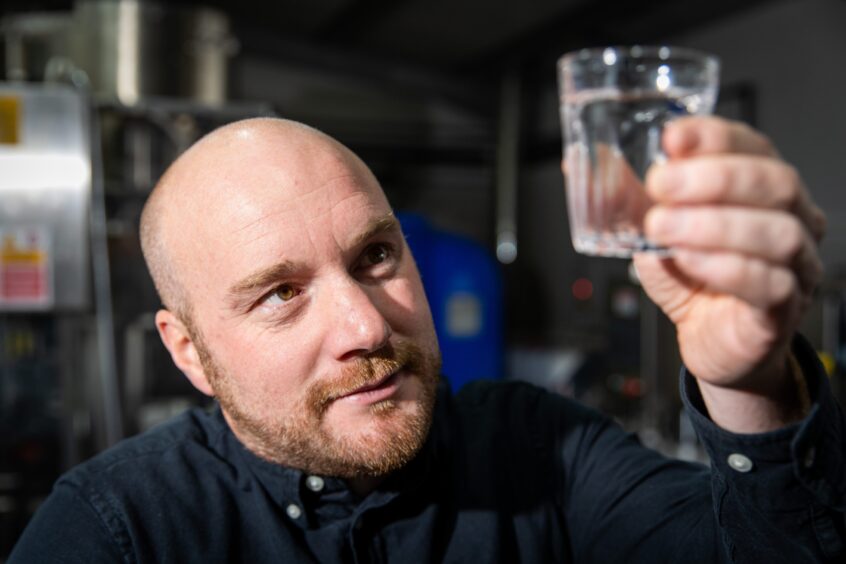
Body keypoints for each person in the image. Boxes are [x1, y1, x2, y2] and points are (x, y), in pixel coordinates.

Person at [9, 117, 844, 563]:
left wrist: (751, 384)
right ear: (188, 351)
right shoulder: (119, 530)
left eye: (375, 256)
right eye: (281, 293)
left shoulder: (540, 449)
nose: (368, 326)